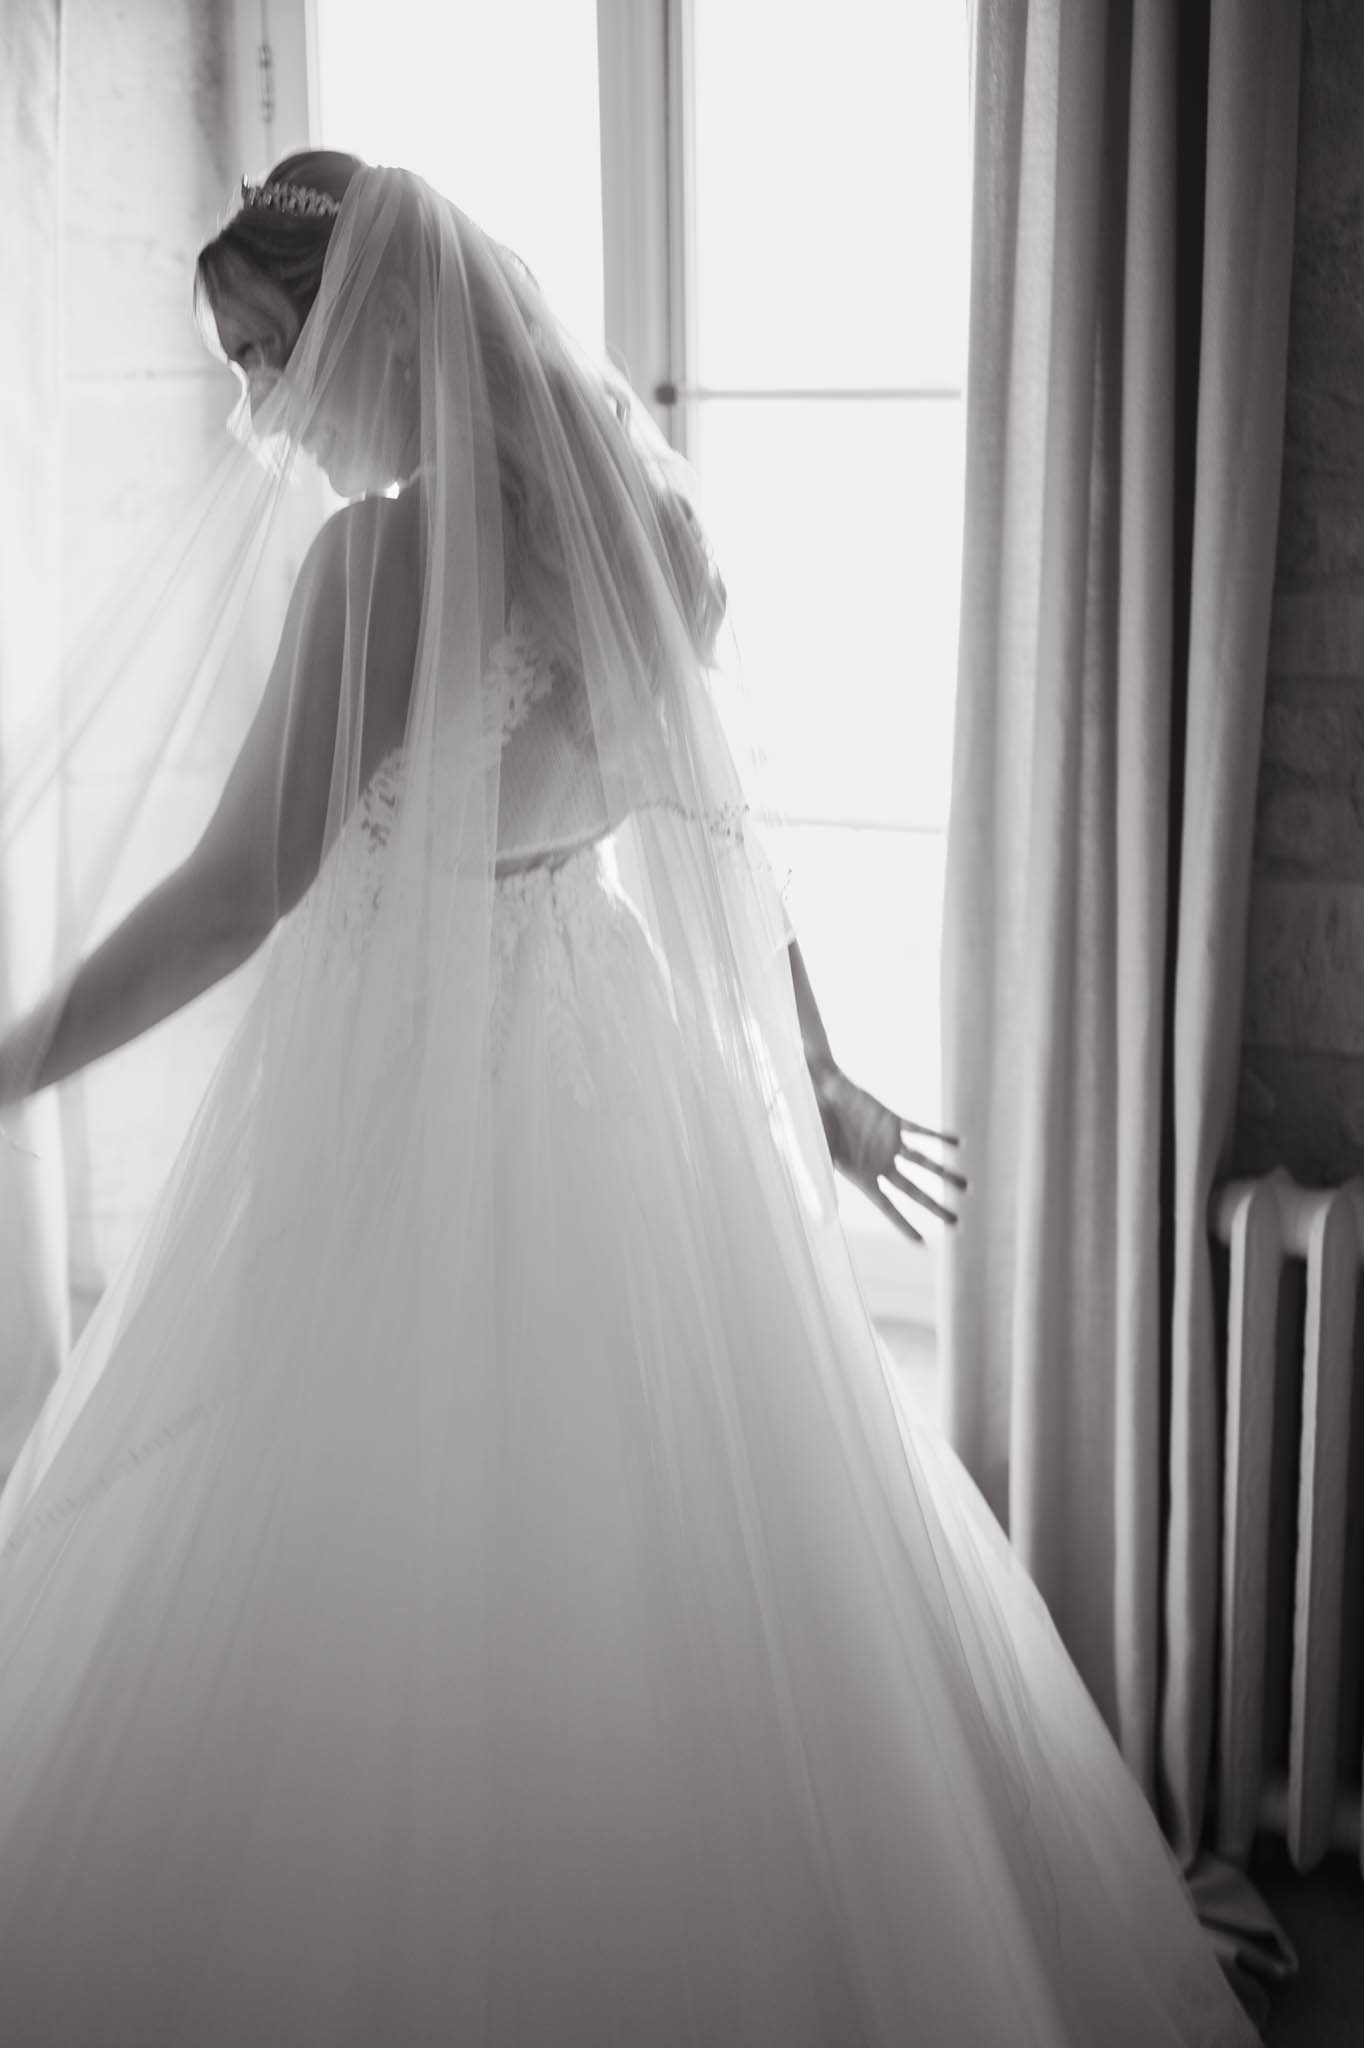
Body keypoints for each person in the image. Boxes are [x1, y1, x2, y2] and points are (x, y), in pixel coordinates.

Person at [0, 155, 1256, 2046]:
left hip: (421, 1100)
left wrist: (14, 1057)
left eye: (275, 357)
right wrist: (814, 1074)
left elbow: (232, 897)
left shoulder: (376, 565)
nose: (266, 415)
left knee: (384, 1551)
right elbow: (711, 826)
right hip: (614, 1060)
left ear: (379, 328)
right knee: (676, 1542)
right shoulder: (646, 517)